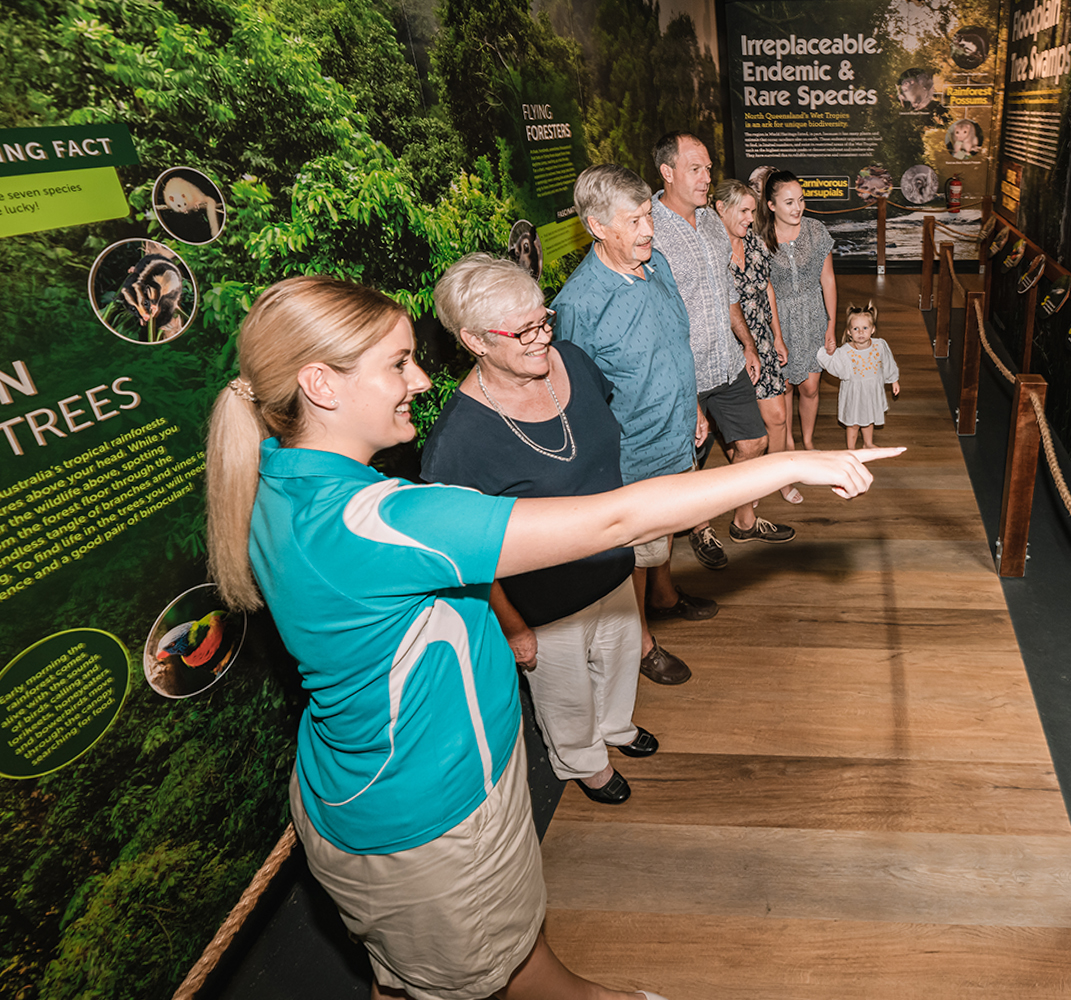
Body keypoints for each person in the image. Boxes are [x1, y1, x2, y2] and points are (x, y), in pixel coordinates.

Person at [205, 274, 894, 1000]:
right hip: (433, 815)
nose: (419, 378)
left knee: (434, 970)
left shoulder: (278, 481)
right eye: (397, 363)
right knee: (476, 975)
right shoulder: (377, 521)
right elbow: (615, 521)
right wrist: (791, 463)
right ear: (321, 384)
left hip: (374, 795)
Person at [419, 254, 652, 806]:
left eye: (543, 319)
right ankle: (585, 761)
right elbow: (464, 557)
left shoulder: (572, 358)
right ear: (475, 341)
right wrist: (513, 624)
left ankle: (617, 727)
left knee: (619, 665)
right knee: (567, 696)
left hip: (613, 566)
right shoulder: (457, 443)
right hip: (544, 603)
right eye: (523, 331)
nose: (542, 337)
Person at [551, 163, 704, 687]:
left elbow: (674, 346)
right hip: (633, 457)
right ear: (597, 226)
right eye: (634, 221)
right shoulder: (579, 305)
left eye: (648, 216)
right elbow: (577, 400)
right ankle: (642, 644)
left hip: (677, 432)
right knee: (637, 553)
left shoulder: (655, 263)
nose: (648, 231)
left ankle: (664, 597)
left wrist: (695, 408)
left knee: (662, 539)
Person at [650, 131, 795, 568]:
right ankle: (698, 527)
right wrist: (686, 393)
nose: (706, 176)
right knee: (688, 459)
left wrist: (748, 344)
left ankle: (744, 521)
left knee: (753, 441)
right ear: (667, 172)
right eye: (696, 168)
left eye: (709, 168)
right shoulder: (651, 231)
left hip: (728, 361)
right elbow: (657, 316)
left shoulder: (712, 221)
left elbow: (727, 292)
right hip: (684, 372)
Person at [715, 177, 803, 505]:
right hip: (729, 348)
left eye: (753, 211)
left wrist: (777, 336)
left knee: (777, 417)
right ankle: (746, 487)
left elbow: (767, 288)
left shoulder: (753, 243)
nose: (750, 218)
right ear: (720, 209)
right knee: (738, 430)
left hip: (762, 341)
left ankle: (776, 480)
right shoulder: (710, 251)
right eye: (744, 211)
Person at [758, 169, 837, 452]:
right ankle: (789, 443)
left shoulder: (816, 231)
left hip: (813, 315)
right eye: (789, 202)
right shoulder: (760, 238)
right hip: (779, 321)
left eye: (801, 200)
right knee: (786, 386)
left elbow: (827, 279)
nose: (798, 207)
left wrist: (831, 325)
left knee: (811, 387)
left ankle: (808, 440)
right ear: (771, 205)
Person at [817, 302, 900, 449]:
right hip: (854, 394)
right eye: (856, 329)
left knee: (869, 419)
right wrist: (827, 352)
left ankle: (868, 443)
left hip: (871, 391)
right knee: (853, 423)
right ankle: (851, 449)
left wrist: (894, 380)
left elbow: (888, 363)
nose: (860, 332)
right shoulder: (845, 351)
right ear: (849, 332)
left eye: (865, 328)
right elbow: (836, 366)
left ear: (873, 329)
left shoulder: (879, 346)